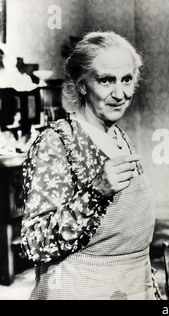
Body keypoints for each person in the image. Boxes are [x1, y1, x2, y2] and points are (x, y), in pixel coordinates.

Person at [20, 31, 159, 300]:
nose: (120, 94)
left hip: (130, 286)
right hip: (81, 289)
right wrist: (95, 192)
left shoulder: (118, 136)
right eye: (106, 80)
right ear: (82, 85)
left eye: (127, 80)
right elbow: (33, 245)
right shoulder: (58, 142)